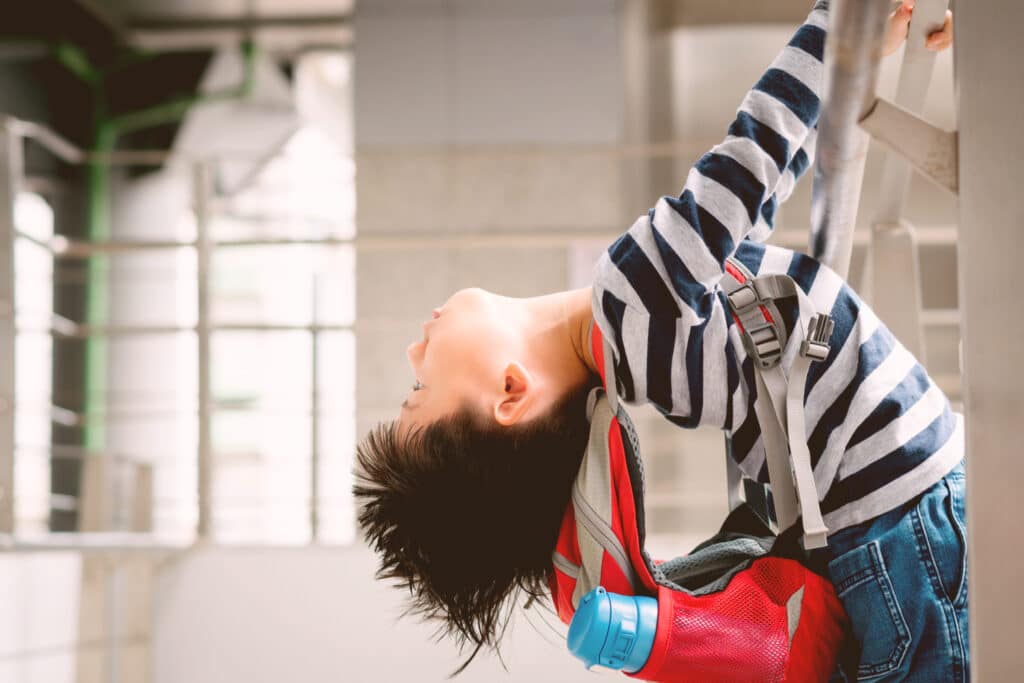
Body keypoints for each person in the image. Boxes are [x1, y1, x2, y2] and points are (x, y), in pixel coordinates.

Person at [354, 0, 963, 680]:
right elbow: (752, 156)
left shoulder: (646, 347)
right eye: (419, 387)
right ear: (510, 391)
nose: (414, 352)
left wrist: (856, 56)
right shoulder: (632, 299)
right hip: (912, 528)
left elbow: (757, 203)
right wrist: (839, 26)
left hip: (893, 545)